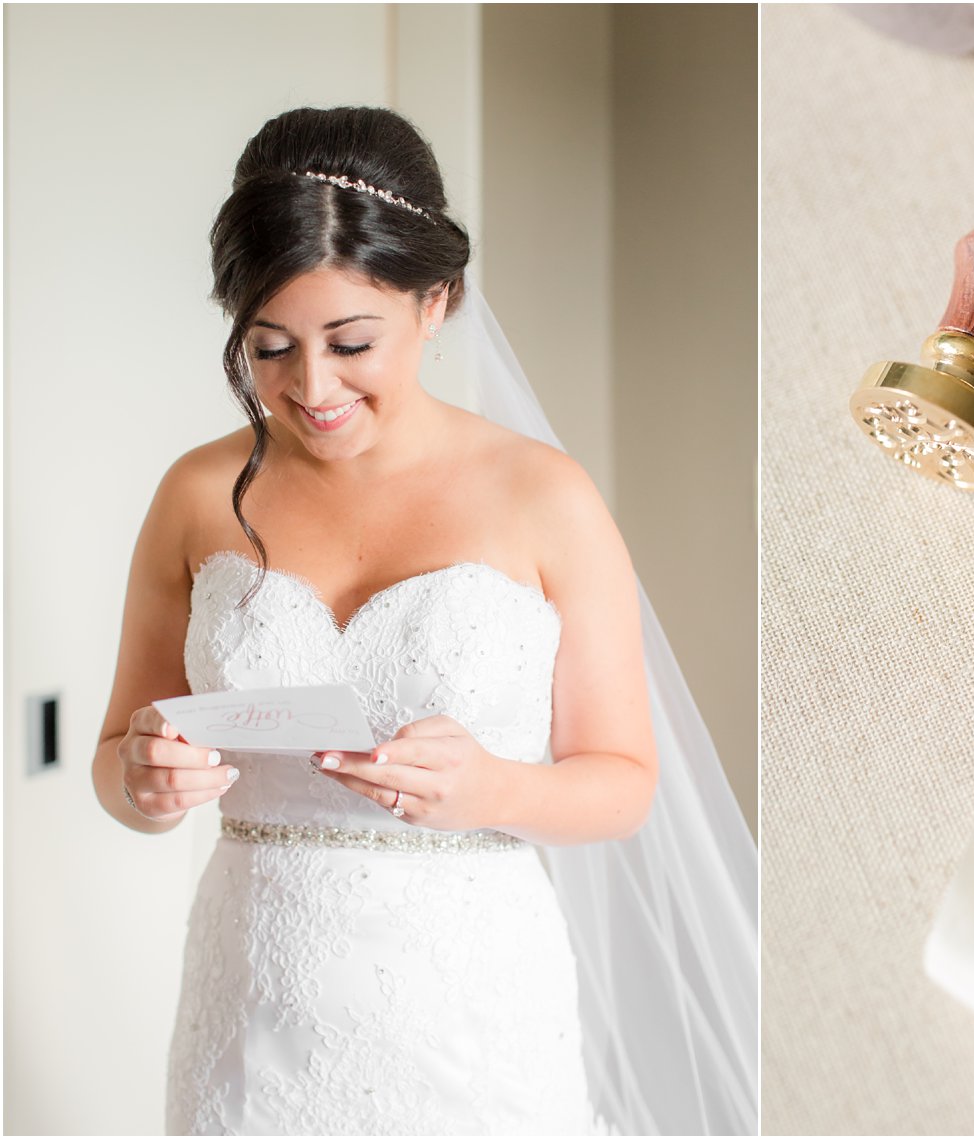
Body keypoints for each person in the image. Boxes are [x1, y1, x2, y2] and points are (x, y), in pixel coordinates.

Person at [91, 106, 754, 1136]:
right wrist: (143, 779)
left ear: (435, 301)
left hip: (471, 1000)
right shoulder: (194, 492)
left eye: (351, 341)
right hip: (251, 1004)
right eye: (268, 347)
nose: (311, 387)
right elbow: (117, 758)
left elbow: (622, 782)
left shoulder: (545, 495)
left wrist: (490, 785)